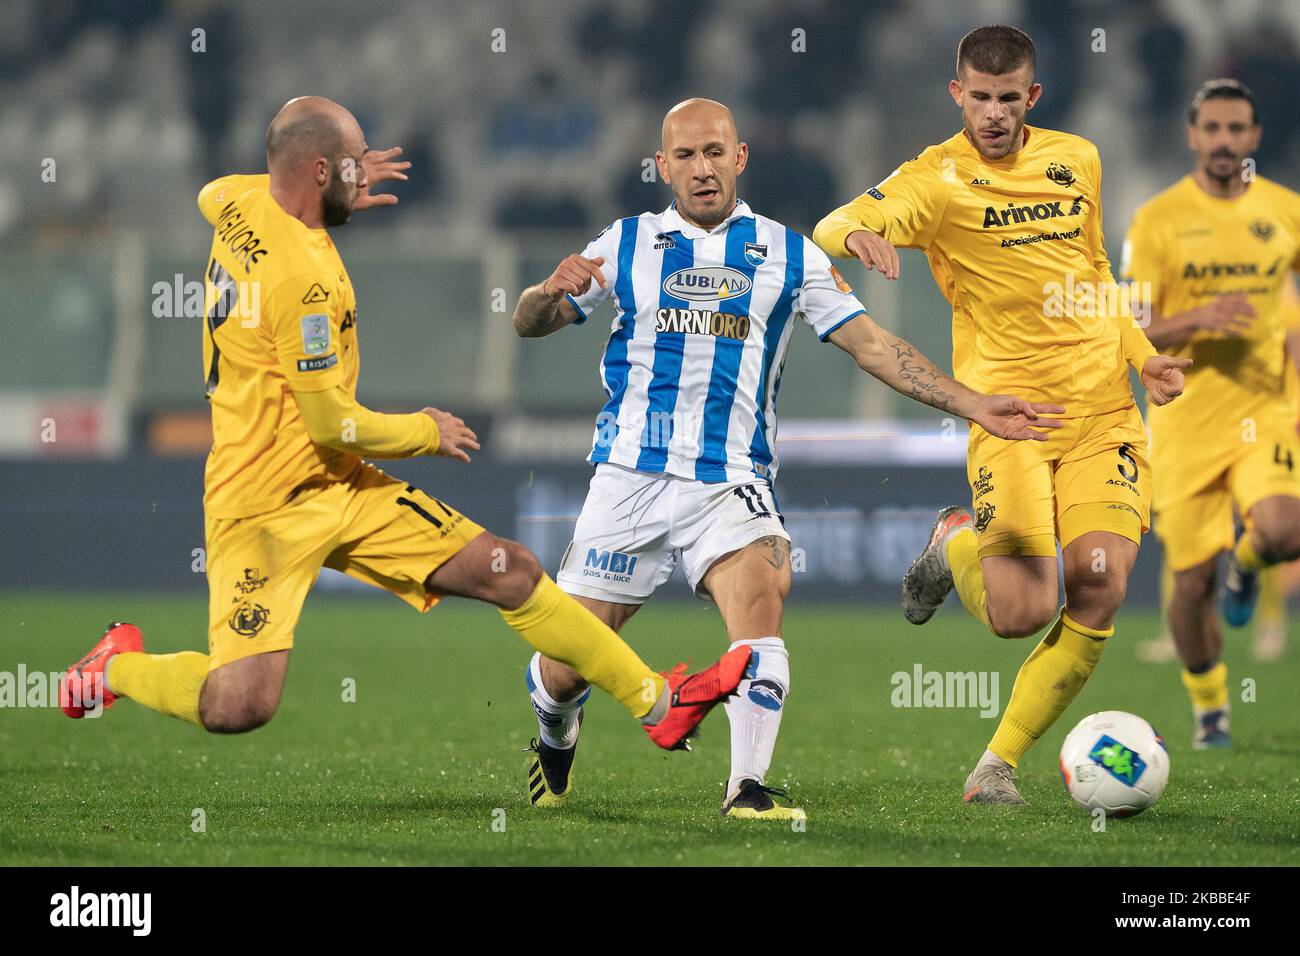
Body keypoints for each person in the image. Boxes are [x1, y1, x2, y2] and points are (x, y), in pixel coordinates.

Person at [59, 96, 750, 759]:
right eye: (355, 162)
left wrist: (322, 181)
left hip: (341, 488)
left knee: (508, 570)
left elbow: (216, 189)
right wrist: (425, 431)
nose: (368, 173)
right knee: (238, 706)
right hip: (261, 507)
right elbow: (332, 423)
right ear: (321, 172)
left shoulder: (241, 204)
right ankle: (117, 667)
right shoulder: (303, 277)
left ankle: (659, 705)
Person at [514, 97, 1065, 819]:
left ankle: (746, 790)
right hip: (629, 479)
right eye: (684, 156)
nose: (702, 169)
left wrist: (974, 404)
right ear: (661, 167)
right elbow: (532, 323)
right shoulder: (625, 243)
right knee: (562, 670)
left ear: (739, 158)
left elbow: (875, 347)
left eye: (715, 152)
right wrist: (545, 293)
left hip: (731, 480)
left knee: (763, 600)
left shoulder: (788, 251)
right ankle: (556, 734)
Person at [814, 26, 1189, 804]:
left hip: (1104, 415)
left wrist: (1142, 353)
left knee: (1099, 584)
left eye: (1006, 98)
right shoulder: (936, 178)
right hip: (1011, 417)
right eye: (977, 98)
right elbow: (831, 224)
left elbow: (1094, 276)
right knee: (1019, 614)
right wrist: (856, 233)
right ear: (957, 95)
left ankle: (995, 766)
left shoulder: (1077, 158)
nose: (991, 113)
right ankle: (955, 543)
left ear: (1032, 97)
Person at [1122, 79, 1300, 746]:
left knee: (1285, 531)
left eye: (1237, 129)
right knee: (1190, 584)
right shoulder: (1157, 221)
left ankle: (1247, 563)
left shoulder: (1285, 210)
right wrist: (1201, 318)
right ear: (1194, 137)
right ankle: (1211, 711)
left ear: (1254, 138)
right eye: (1213, 129)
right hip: (1183, 421)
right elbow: (1131, 328)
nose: (1225, 141)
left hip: (1265, 414)